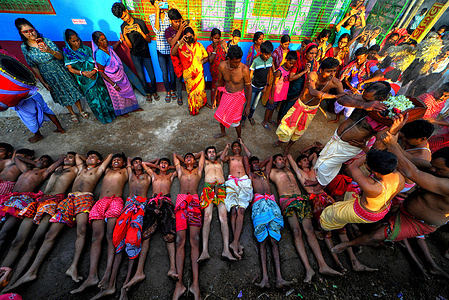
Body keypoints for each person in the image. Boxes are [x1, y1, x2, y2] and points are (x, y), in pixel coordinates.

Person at [5, 151, 112, 291]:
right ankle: (30, 272)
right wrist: (85, 159)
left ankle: (73, 267)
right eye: (89, 156)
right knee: (49, 235)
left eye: (93, 157)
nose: (89, 158)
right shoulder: (80, 168)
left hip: (85, 198)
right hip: (68, 200)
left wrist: (94, 160)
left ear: (98, 161)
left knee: (82, 230)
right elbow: (78, 156)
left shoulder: (99, 169)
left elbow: (108, 156)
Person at [331, 140, 449, 258]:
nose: (432, 169)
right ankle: (360, 234)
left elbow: (411, 172)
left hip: (418, 223)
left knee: (376, 235)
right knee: (375, 226)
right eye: (432, 165)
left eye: (438, 169)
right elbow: (411, 160)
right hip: (400, 208)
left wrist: (390, 144)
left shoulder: (447, 186)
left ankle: (347, 244)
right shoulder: (432, 170)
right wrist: (392, 139)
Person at [1, 153, 78, 285]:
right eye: (66, 157)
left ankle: (17, 279)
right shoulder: (34, 170)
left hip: (53, 201)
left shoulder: (54, 170)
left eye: (70, 157)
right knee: (17, 241)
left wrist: (63, 157)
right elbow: (18, 158)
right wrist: (36, 161)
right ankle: (3, 275)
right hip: (38, 201)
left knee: (34, 241)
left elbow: (70, 161)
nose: (66, 159)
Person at [269, 155, 342, 283]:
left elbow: (293, 158)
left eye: (283, 159)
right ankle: (308, 269)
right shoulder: (272, 172)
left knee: (309, 229)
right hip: (287, 200)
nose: (282, 160)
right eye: (279, 159)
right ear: (274, 162)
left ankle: (323, 265)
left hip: (301, 199)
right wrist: (272, 159)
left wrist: (288, 158)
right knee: (296, 231)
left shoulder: (290, 170)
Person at [314, 81, 392, 187]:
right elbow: (341, 99)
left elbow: (380, 143)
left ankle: (320, 186)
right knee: (325, 159)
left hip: (350, 146)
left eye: (367, 100)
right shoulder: (364, 100)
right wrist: (364, 104)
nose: (363, 99)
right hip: (337, 138)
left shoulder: (385, 117)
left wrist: (364, 148)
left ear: (381, 100)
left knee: (325, 166)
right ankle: (319, 181)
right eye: (363, 98)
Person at [71, 153, 128, 295]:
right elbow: (86, 159)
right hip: (100, 202)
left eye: (119, 160)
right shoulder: (106, 170)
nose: (115, 161)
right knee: (96, 237)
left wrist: (127, 160)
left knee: (111, 237)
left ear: (124, 163)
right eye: (114, 159)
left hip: (115, 201)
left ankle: (108, 273)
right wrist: (91, 159)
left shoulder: (126, 171)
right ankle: (92, 276)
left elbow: (135, 163)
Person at [97, 157, 150, 300]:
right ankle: (111, 283)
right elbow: (128, 160)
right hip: (128, 206)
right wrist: (132, 163)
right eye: (135, 163)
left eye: (140, 162)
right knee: (119, 240)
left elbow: (152, 164)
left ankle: (125, 287)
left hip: (141, 206)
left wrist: (144, 164)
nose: (137, 164)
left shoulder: (149, 174)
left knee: (132, 241)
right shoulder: (130, 174)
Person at [122, 158, 177, 296]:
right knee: (145, 235)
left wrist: (169, 167)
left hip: (166, 202)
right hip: (151, 204)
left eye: (166, 163)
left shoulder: (171, 175)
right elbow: (144, 164)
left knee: (169, 235)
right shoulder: (153, 174)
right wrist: (157, 165)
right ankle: (139, 272)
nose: (163, 165)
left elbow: (179, 169)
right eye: (161, 163)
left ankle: (172, 268)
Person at [15, 18, 85, 123]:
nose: (30, 33)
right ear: (21, 33)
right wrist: (43, 82)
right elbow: (33, 66)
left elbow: (61, 57)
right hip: (47, 75)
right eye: (26, 32)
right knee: (60, 93)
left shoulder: (46, 41)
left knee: (71, 89)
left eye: (31, 30)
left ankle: (80, 110)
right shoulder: (24, 47)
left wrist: (50, 51)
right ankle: (72, 113)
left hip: (59, 69)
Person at [320, 149, 405, 230]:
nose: (365, 164)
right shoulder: (400, 177)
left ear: (375, 172)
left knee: (330, 214)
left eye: (366, 164)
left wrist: (370, 152)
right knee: (348, 197)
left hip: (365, 213)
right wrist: (375, 155)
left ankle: (321, 230)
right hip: (382, 210)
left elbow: (353, 166)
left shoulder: (371, 186)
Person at [275, 57, 345, 154]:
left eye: (334, 71)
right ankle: (281, 140)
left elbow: (343, 98)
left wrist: (357, 100)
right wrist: (334, 96)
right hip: (300, 105)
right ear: (321, 70)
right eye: (329, 71)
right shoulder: (312, 75)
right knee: (286, 126)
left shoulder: (336, 82)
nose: (332, 74)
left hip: (311, 110)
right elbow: (312, 91)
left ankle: (288, 147)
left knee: (299, 131)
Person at [243, 155, 291, 288]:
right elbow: (245, 160)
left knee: (274, 241)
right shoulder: (251, 175)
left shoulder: (265, 174)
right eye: (254, 163)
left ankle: (279, 278)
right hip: (259, 205)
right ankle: (265, 278)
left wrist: (260, 165)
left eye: (257, 162)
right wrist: (253, 166)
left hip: (271, 204)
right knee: (262, 241)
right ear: (250, 166)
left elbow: (270, 157)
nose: (256, 164)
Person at [0, 155, 63, 251]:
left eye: (45, 161)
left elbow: (59, 161)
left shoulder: (44, 172)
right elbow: (17, 158)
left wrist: (44, 164)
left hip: (22, 200)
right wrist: (36, 163)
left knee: (4, 232)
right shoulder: (25, 170)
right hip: (9, 199)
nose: (42, 162)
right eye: (41, 159)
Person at [63, 29, 116, 124]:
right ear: (68, 41)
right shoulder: (68, 54)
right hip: (83, 80)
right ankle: (102, 117)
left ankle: (111, 114)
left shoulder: (87, 49)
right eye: (73, 41)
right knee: (94, 99)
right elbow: (70, 69)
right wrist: (83, 73)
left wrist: (93, 71)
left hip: (95, 76)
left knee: (103, 94)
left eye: (78, 40)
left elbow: (97, 61)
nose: (77, 43)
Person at [172, 151, 205, 300]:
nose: (189, 158)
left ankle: (195, 284)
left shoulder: (198, 170)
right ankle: (179, 285)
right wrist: (184, 161)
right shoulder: (180, 170)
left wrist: (195, 158)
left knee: (195, 240)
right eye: (186, 158)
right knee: (179, 240)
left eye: (191, 157)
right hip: (181, 201)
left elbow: (203, 154)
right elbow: (174, 155)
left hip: (194, 201)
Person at [112, 2, 158, 102]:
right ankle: (148, 93)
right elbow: (130, 46)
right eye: (122, 18)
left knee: (152, 75)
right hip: (135, 55)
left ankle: (154, 91)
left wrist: (140, 31)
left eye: (124, 15)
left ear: (127, 11)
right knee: (141, 76)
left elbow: (149, 40)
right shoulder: (123, 27)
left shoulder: (140, 22)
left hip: (146, 53)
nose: (125, 19)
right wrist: (124, 34)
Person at [198, 146, 235, 262]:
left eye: (213, 152)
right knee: (206, 217)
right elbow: (198, 154)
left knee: (223, 217)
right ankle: (204, 251)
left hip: (221, 188)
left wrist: (224, 149)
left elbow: (224, 154)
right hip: (209, 188)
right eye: (209, 152)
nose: (212, 153)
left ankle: (226, 250)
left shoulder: (220, 162)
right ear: (206, 154)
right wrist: (204, 154)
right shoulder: (204, 162)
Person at [92, 31, 140, 117]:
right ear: (97, 42)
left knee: (129, 91)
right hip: (112, 79)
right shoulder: (100, 54)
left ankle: (133, 107)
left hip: (120, 75)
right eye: (102, 40)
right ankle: (122, 112)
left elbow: (112, 48)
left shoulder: (108, 48)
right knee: (119, 97)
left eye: (105, 38)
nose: (105, 41)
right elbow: (101, 72)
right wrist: (113, 85)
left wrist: (120, 40)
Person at [221, 140, 252, 259]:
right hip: (232, 181)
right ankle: (236, 242)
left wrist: (244, 144)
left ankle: (235, 241)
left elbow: (249, 155)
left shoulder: (244, 157)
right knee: (233, 210)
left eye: (238, 146)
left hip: (244, 181)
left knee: (241, 211)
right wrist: (226, 147)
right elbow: (222, 158)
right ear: (233, 149)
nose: (237, 148)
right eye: (235, 147)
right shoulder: (230, 157)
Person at [213, 46, 252, 139]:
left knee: (236, 121)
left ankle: (239, 137)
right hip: (226, 94)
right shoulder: (222, 66)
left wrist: (248, 106)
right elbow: (219, 83)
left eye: (239, 61)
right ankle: (223, 132)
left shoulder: (244, 69)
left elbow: (249, 88)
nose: (237, 64)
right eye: (235, 62)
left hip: (238, 97)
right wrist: (215, 98)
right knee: (221, 115)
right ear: (228, 59)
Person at [171, 27, 209, 115]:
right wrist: (179, 42)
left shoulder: (199, 45)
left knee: (200, 89)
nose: (189, 38)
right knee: (191, 92)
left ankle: (201, 104)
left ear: (194, 35)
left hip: (199, 73)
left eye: (191, 36)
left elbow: (206, 57)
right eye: (187, 37)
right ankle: (194, 108)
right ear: (184, 37)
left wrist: (202, 61)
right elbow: (173, 53)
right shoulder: (181, 46)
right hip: (188, 74)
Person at [278, 43, 319, 122]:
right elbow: (291, 77)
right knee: (287, 106)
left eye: (315, 53)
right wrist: (304, 71)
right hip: (294, 89)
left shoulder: (314, 63)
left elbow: (314, 76)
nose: (313, 55)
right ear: (306, 52)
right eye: (311, 53)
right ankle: (280, 121)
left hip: (304, 91)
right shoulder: (299, 61)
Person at [148, 0, 176, 103]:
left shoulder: (169, 15)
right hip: (160, 49)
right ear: (153, 4)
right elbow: (157, 30)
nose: (160, 3)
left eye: (161, 1)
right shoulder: (152, 17)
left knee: (172, 72)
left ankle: (173, 90)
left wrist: (173, 8)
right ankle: (168, 91)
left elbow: (175, 25)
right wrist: (156, 11)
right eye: (157, 2)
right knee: (164, 73)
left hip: (171, 49)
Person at [262, 51, 297, 130]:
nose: (291, 65)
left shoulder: (288, 70)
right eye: (290, 63)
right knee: (269, 107)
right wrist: (272, 97)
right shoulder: (279, 71)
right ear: (286, 60)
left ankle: (270, 119)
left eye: (293, 64)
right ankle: (265, 121)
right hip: (275, 94)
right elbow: (274, 84)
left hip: (280, 94)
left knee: (273, 107)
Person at [242, 41, 274, 126]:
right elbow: (251, 74)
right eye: (266, 54)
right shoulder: (256, 61)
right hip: (253, 86)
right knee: (249, 103)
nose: (268, 56)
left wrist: (266, 85)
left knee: (255, 105)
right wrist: (248, 86)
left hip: (262, 87)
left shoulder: (270, 60)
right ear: (262, 53)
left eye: (269, 54)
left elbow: (268, 73)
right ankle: (243, 118)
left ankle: (250, 117)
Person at [165, 8, 189, 105]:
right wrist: (180, 30)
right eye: (176, 22)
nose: (178, 24)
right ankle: (179, 96)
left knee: (188, 76)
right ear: (170, 20)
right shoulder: (168, 31)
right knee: (178, 77)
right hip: (175, 59)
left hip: (186, 57)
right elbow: (172, 43)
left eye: (179, 21)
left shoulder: (184, 28)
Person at [207, 28, 228, 108]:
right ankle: (214, 102)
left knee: (222, 85)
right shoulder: (209, 48)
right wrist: (215, 50)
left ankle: (221, 102)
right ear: (212, 38)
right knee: (215, 85)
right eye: (215, 38)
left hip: (223, 71)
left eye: (218, 38)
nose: (217, 40)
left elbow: (227, 56)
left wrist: (225, 48)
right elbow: (210, 60)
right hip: (214, 71)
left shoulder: (222, 45)